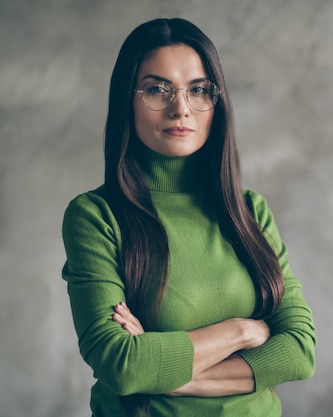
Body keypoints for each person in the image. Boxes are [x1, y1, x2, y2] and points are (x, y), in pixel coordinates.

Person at [61, 18, 316, 417]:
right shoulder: (96, 216)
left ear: (217, 102)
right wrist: (243, 331)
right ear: (126, 100)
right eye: (157, 89)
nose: (181, 108)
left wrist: (172, 374)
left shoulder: (250, 211)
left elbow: (299, 351)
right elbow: (122, 365)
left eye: (198, 89)